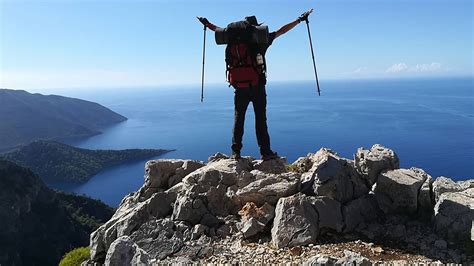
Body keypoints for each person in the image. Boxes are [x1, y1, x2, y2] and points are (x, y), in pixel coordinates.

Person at [198, 10, 312, 160]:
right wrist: (299, 20)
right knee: (260, 119)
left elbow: (217, 29)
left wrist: (207, 23)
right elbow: (282, 31)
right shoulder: (261, 40)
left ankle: (235, 153)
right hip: (257, 86)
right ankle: (265, 152)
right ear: (255, 28)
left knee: (239, 119)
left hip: (239, 87)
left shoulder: (232, 40)